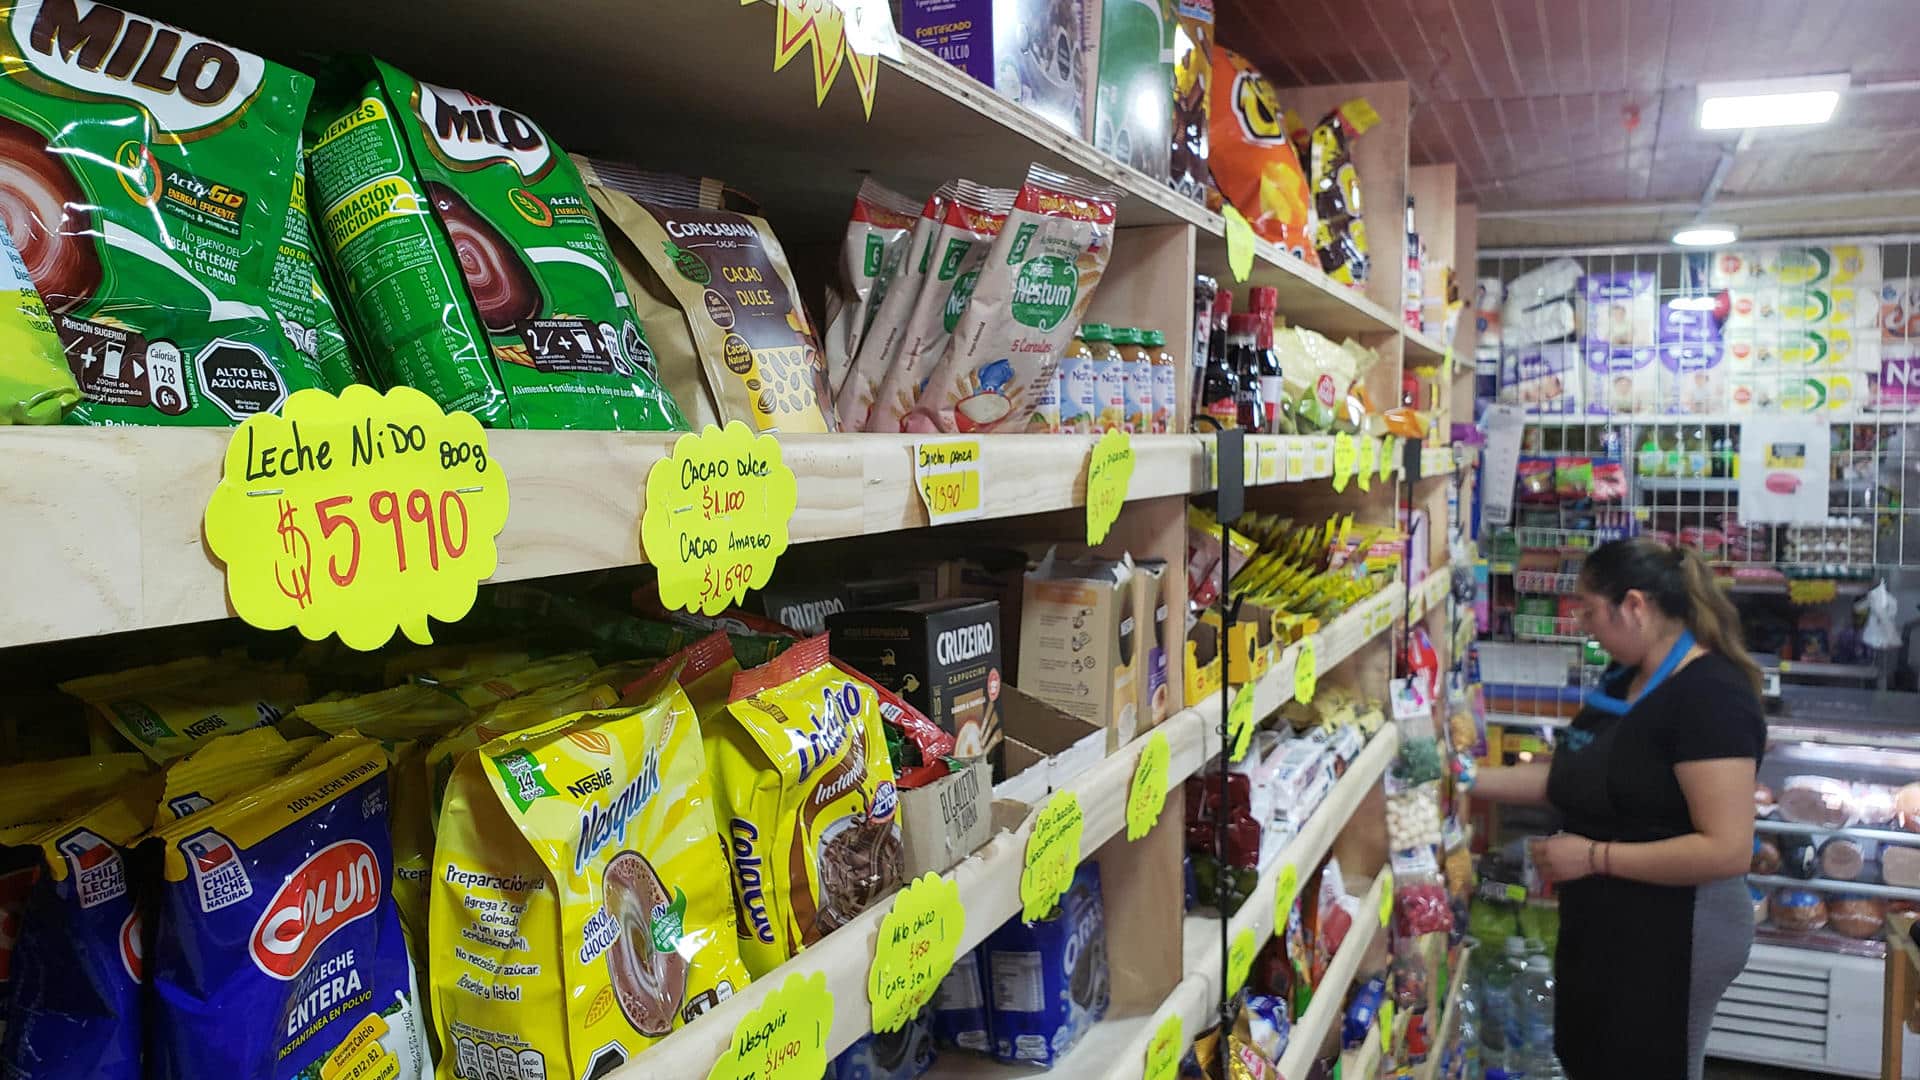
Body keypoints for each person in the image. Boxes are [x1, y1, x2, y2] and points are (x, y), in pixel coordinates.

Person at [1470, 538, 1764, 1080]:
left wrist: (1594, 857)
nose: (1582, 622)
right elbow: (1571, 780)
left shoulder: (1710, 697)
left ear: (1634, 606)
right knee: (1591, 1056)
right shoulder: (1626, 681)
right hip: (1611, 923)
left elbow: (1727, 850)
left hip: (1678, 931)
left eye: (1588, 609)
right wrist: (1465, 778)